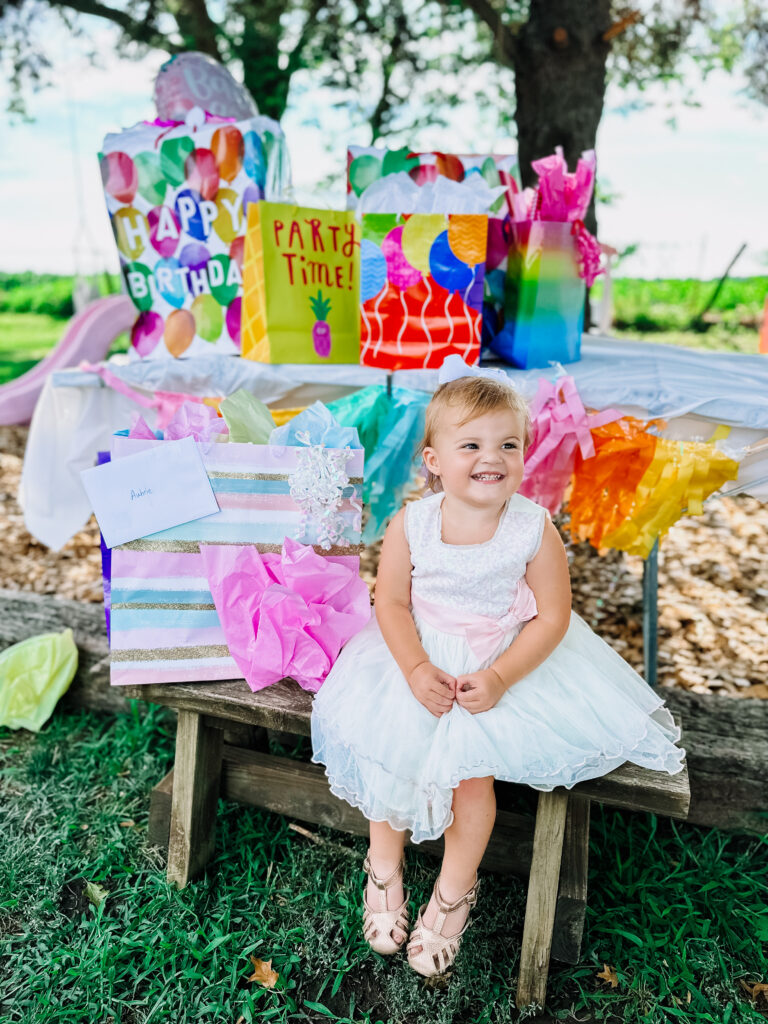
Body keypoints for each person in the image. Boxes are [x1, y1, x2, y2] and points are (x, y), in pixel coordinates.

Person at [311, 362, 684, 978]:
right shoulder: (413, 524)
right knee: (390, 749)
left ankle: (453, 895)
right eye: (472, 445)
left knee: (472, 782)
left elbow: (553, 617)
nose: (493, 457)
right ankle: (383, 866)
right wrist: (412, 667)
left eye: (508, 444)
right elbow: (391, 602)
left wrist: (503, 676)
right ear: (433, 459)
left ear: (524, 453)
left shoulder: (533, 529)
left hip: (501, 661)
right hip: (415, 655)